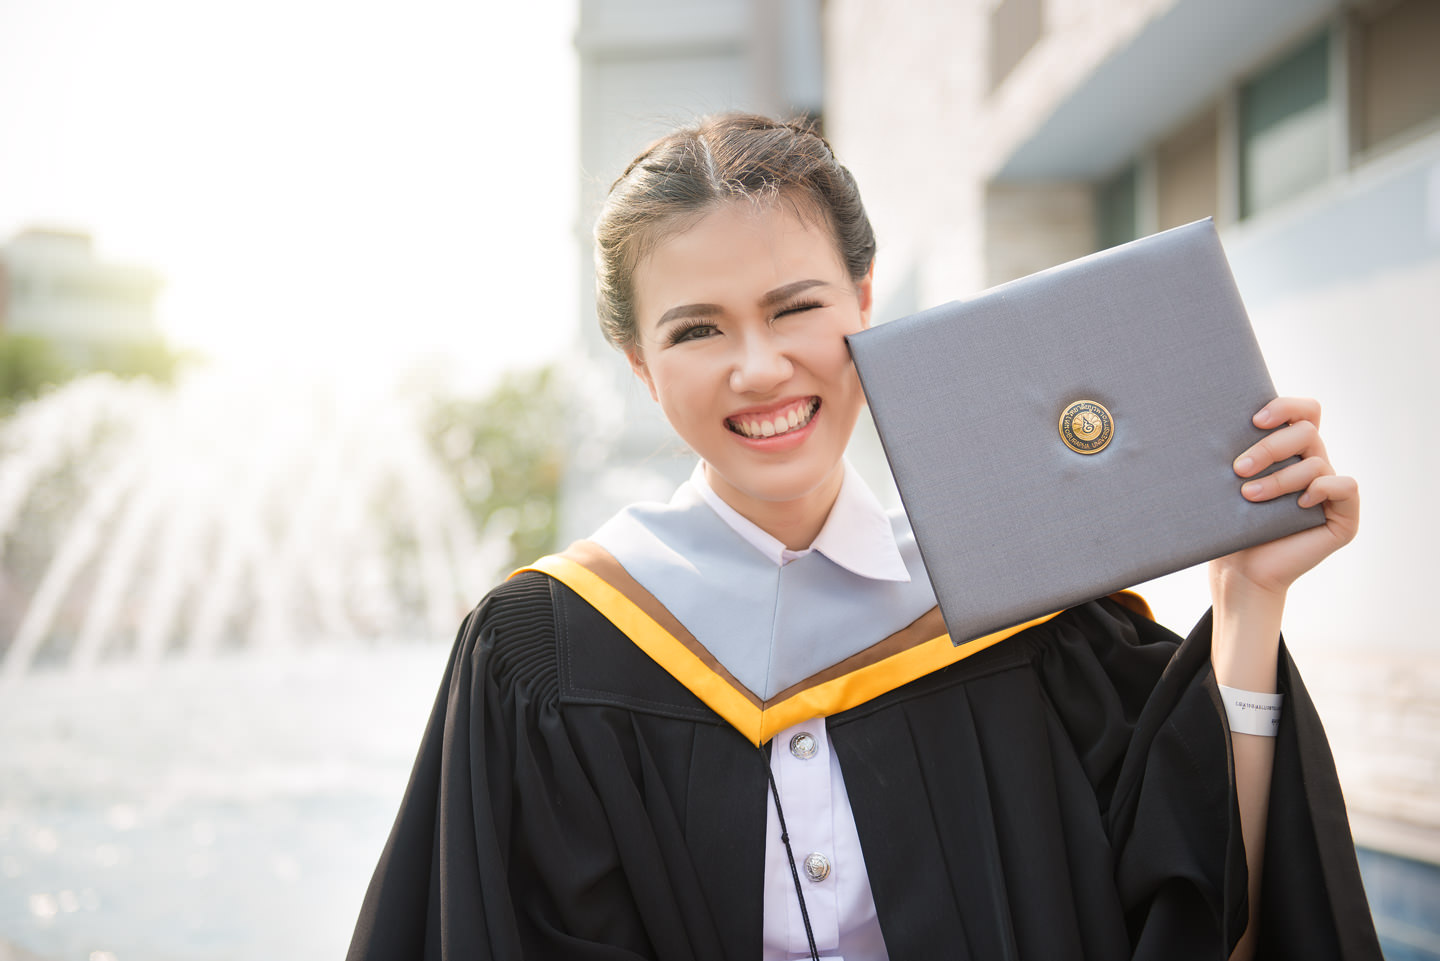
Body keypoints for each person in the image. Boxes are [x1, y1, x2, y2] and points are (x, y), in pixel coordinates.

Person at [347, 114, 1379, 961]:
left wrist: (1248, 599)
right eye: (697, 329)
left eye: (795, 308)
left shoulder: (1014, 612)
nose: (759, 368)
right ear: (638, 363)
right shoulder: (550, 651)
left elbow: (1207, 915)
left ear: (866, 303)